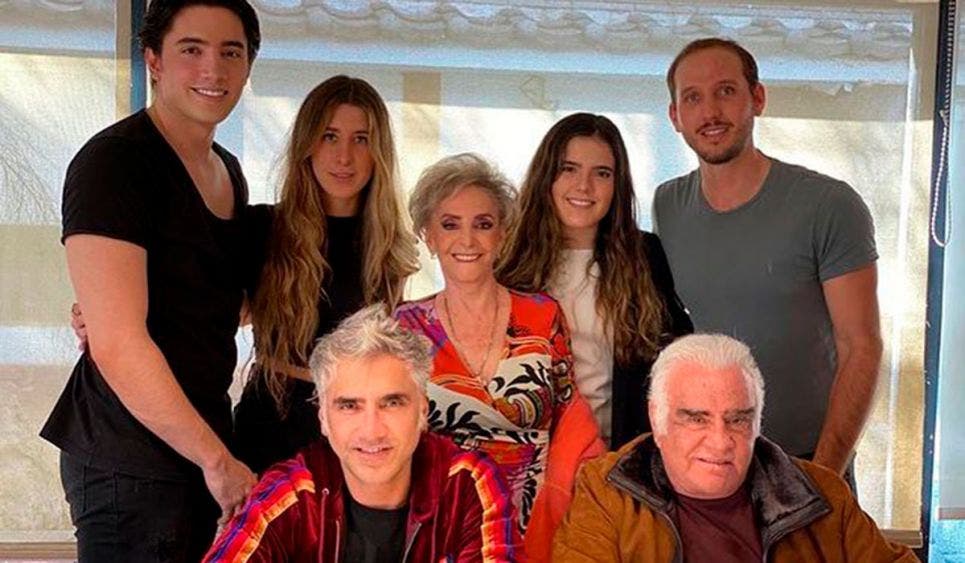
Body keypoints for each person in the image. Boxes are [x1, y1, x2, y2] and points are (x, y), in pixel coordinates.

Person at [39, 1, 261, 560]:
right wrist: (217, 461)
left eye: (230, 52)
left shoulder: (227, 169)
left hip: (196, 446)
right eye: (192, 49)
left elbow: (216, 303)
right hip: (130, 459)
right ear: (154, 60)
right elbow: (119, 344)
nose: (213, 69)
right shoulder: (115, 164)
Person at [652, 37, 882, 476]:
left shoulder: (829, 205)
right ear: (675, 116)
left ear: (757, 98)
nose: (710, 111)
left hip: (810, 461)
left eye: (725, 91)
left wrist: (824, 476)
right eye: (692, 98)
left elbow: (862, 347)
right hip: (711, 462)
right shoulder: (668, 205)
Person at [394, 153, 605, 561]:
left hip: (537, 527)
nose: (468, 240)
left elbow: (571, 419)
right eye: (450, 224)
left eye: (483, 224)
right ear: (428, 236)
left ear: (503, 234)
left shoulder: (542, 314)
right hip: (442, 528)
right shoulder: (404, 326)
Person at [553, 334, 917, 562]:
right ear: (656, 418)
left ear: (758, 422)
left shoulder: (821, 495)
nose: (720, 441)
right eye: (697, 419)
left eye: (738, 420)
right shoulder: (607, 490)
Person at [205, 305, 520, 562]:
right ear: (323, 418)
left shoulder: (465, 482)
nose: (372, 431)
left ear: (423, 412)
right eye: (349, 406)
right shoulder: (291, 493)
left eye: (392, 403)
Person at [233, 75, 418, 473]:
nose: (344, 157)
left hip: (358, 436)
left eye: (361, 139)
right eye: (330, 136)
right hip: (271, 430)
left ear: (379, 151)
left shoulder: (390, 246)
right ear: (307, 144)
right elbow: (203, 314)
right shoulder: (263, 228)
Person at [497, 112, 692, 449]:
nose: (584, 186)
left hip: (617, 456)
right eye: (568, 169)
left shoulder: (644, 255)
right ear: (546, 176)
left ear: (617, 185)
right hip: (529, 456)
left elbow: (678, 355)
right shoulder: (508, 258)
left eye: (602, 173)